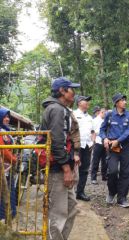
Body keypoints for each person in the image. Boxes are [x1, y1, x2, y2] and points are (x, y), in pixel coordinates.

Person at [41, 77, 81, 239]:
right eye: (71, 89)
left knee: (71, 208)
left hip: (63, 166)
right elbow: (57, 142)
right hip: (58, 169)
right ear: (63, 91)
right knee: (58, 214)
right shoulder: (57, 110)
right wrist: (66, 169)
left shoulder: (61, 109)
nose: (74, 93)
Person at [100, 93, 129, 208]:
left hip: (125, 146)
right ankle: (111, 192)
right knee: (112, 171)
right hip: (112, 147)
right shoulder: (109, 115)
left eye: (125, 100)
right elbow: (102, 129)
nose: (125, 102)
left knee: (126, 172)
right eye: (122, 100)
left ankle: (122, 198)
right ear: (116, 103)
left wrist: (118, 141)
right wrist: (104, 138)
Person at [73, 95, 93, 201]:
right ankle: (69, 192)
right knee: (72, 168)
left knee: (84, 170)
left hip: (86, 146)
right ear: (79, 102)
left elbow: (93, 131)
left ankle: (80, 192)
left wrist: (93, 142)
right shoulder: (73, 114)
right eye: (86, 101)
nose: (88, 103)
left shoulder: (90, 117)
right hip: (76, 146)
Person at [0, 108, 17, 223]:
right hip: (2, 167)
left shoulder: (6, 131)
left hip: (8, 168)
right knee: (3, 194)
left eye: (8, 117)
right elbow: (3, 150)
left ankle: (8, 218)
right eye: (4, 117)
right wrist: (14, 158)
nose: (7, 119)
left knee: (9, 192)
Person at [91, 107, 107, 184]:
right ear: (102, 112)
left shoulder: (105, 120)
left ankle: (104, 175)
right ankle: (93, 177)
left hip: (105, 142)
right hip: (97, 142)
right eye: (105, 114)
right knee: (95, 160)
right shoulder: (94, 120)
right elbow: (92, 131)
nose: (106, 115)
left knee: (105, 160)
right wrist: (93, 141)